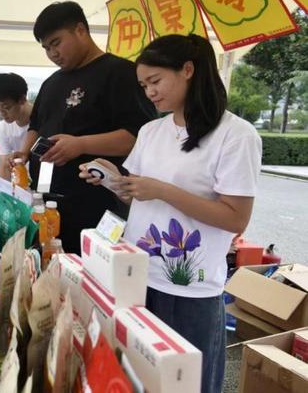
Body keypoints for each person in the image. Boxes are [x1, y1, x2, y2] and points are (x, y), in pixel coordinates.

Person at [80, 34, 262, 393]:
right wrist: (113, 182)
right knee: (138, 379)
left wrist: (162, 190)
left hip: (190, 287)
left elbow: (235, 218)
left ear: (188, 70)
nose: (149, 92)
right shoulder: (151, 131)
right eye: (143, 85)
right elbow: (139, 199)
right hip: (136, 275)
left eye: (155, 81)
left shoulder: (236, 135)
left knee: (187, 384)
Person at [17, 1, 156, 253]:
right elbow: (36, 126)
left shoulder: (121, 73)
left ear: (80, 30)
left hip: (97, 203)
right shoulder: (51, 83)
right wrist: (23, 153)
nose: (52, 53)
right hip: (47, 201)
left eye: (56, 42)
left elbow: (138, 136)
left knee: (89, 275)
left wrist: (80, 145)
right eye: (46, 48)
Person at [0, 73, 32, 180]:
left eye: (6, 107)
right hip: (20, 184)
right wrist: (1, 194)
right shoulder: (3, 128)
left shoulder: (43, 120)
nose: (2, 114)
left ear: (22, 99)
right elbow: (4, 166)